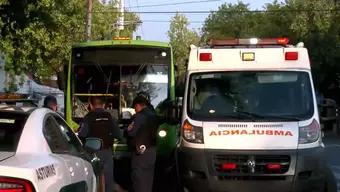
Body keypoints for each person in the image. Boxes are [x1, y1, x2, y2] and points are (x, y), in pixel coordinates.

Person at [78, 96, 121, 192]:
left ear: (91, 105)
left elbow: (82, 134)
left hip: (92, 153)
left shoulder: (88, 117)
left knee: (94, 179)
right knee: (108, 180)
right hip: (107, 152)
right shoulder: (110, 117)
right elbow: (118, 135)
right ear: (104, 105)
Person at [126, 94, 158, 192]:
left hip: (140, 153)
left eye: (135, 107)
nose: (135, 110)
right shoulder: (154, 116)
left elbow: (131, 132)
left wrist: (127, 130)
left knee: (139, 180)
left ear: (138, 105)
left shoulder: (139, 116)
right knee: (148, 180)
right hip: (152, 151)